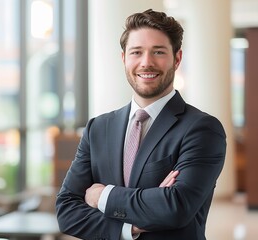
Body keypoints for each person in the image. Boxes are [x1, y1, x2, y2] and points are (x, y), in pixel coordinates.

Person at [55, 9, 226, 240]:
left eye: (158, 52)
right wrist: (129, 227)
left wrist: (102, 195)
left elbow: (175, 207)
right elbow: (67, 211)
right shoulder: (98, 128)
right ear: (124, 58)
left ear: (177, 59)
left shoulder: (202, 129)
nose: (147, 63)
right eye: (137, 52)